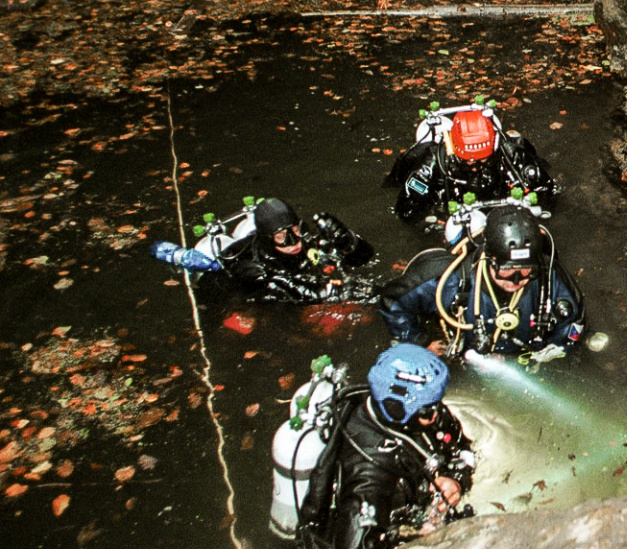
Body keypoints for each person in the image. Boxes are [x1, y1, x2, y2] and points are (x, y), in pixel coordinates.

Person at [290, 343, 475, 549]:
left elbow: (462, 448)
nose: (437, 414)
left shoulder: (425, 411)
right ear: (397, 408)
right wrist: (421, 539)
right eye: (429, 409)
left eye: (436, 403)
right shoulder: (368, 474)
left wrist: (456, 479)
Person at [378, 204, 585, 359]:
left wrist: (554, 351)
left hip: (525, 356)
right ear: (491, 259)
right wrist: (419, 342)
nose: (516, 280)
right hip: (464, 356)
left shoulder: (550, 276)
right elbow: (391, 301)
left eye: (526, 270)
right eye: (507, 270)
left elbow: (574, 322)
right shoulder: (448, 278)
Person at [383, 103, 559, 228]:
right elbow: (406, 208)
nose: (476, 167)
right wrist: (433, 225)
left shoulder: (511, 153)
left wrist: (531, 215)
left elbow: (546, 188)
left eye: (484, 160)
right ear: (454, 150)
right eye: (469, 161)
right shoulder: (433, 162)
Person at [223, 197, 377, 304]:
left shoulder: (307, 238)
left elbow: (365, 258)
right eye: (281, 237)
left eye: (295, 230)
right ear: (267, 241)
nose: (294, 242)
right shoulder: (254, 267)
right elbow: (287, 293)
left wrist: (347, 240)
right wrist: (329, 292)